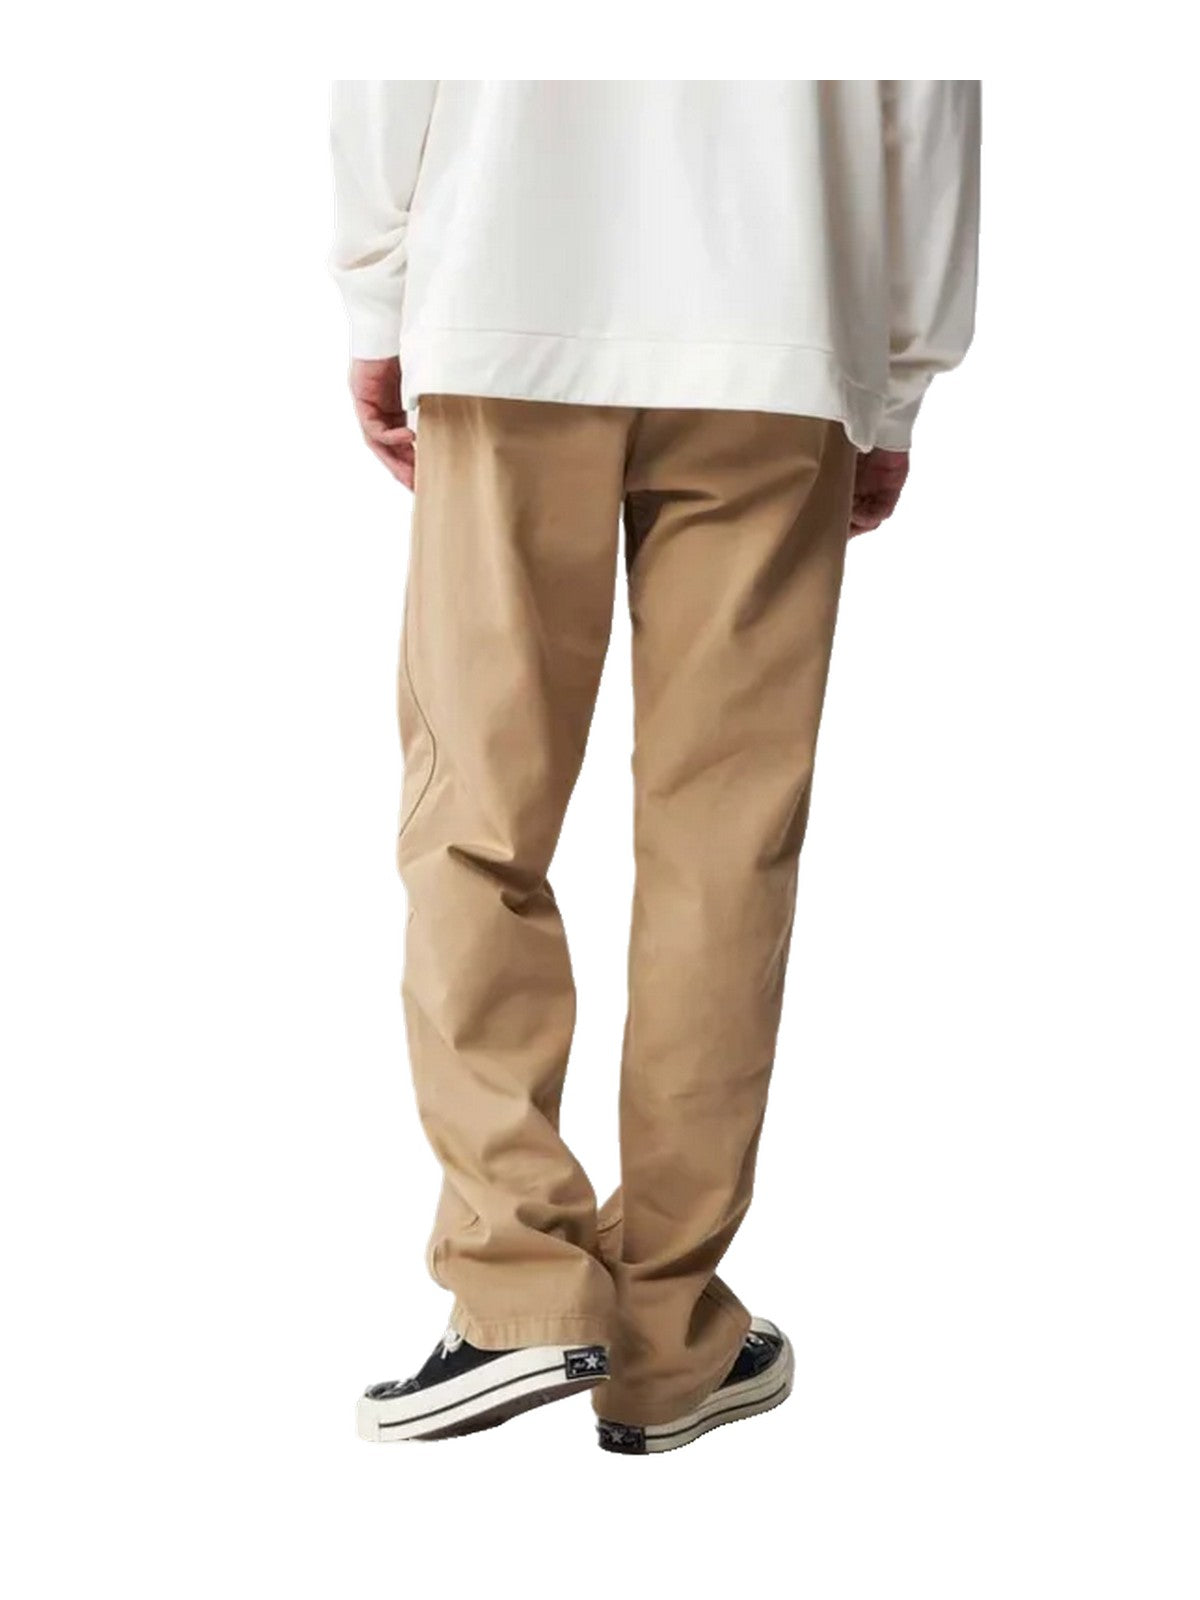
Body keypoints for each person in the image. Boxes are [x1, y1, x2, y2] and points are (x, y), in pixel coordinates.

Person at [330, 79, 980, 1455]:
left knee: (475, 821)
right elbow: (928, 92)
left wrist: (380, 297)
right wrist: (897, 379)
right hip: (783, 328)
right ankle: (669, 1331)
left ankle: (520, 1285)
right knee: (722, 852)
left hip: (510, 297)